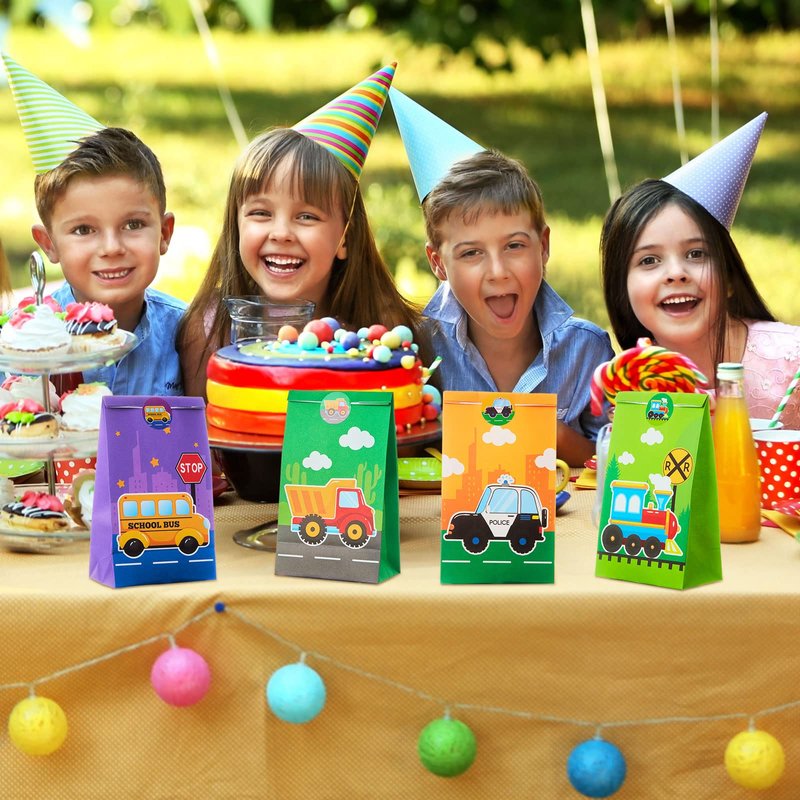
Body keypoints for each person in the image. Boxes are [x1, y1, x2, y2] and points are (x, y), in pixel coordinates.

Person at [390, 88, 613, 465]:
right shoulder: (416, 353)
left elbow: (614, 461)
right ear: (438, 263)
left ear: (543, 246)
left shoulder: (587, 351)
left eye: (514, 246)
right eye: (471, 253)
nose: (497, 271)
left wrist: (551, 433)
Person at [178, 64, 424, 399]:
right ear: (236, 225)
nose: (281, 233)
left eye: (306, 217)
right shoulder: (209, 328)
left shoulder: (379, 330)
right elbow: (199, 428)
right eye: (261, 213)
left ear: (345, 238)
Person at [600, 113, 800, 429]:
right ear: (621, 289)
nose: (676, 273)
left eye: (696, 254)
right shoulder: (634, 382)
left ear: (729, 277)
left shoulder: (793, 361)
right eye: (649, 260)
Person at [3, 54, 184, 396]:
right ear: (48, 243)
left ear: (164, 233)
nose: (112, 248)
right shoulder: (19, 342)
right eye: (84, 230)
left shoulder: (188, 335)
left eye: (133, 224)